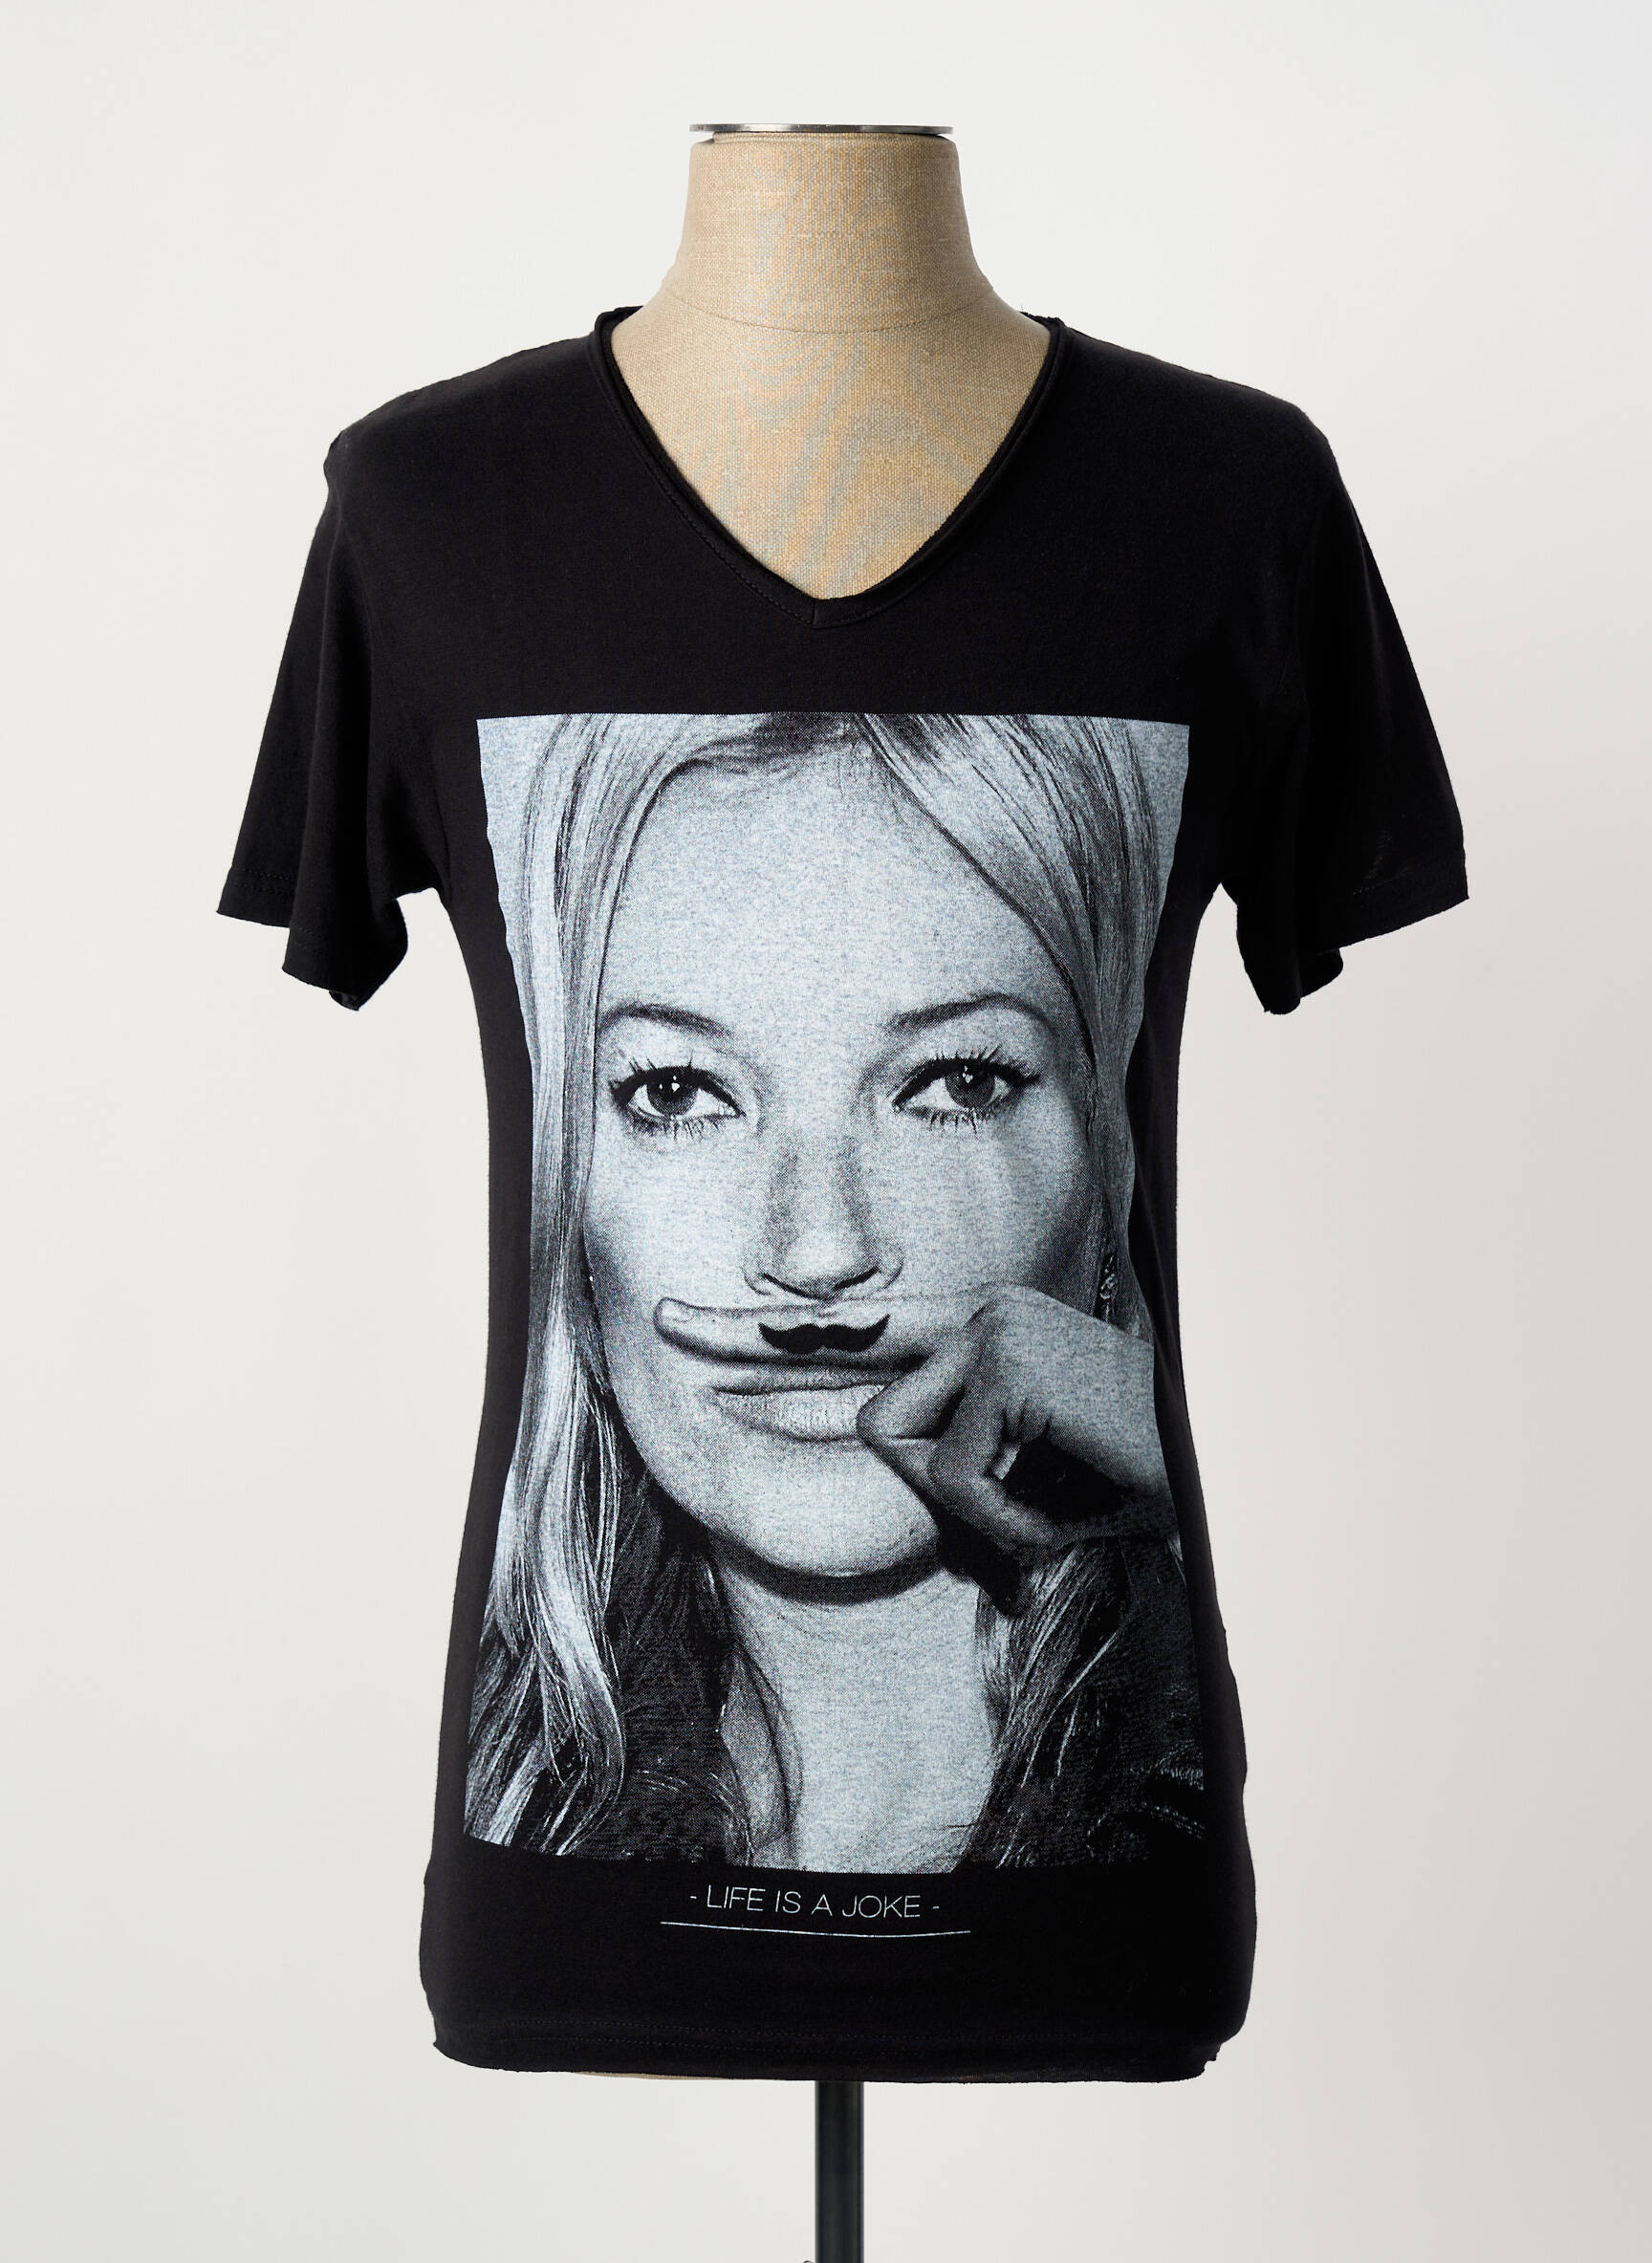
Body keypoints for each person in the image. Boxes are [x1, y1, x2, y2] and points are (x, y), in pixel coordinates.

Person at [466, 710, 1204, 1870]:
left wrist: (1194, 1464)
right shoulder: (490, 1794)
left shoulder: (1322, 1753)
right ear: (566, 1199)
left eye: (957, 1083)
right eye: (676, 1092)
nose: (817, 1252)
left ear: (1107, 1166)